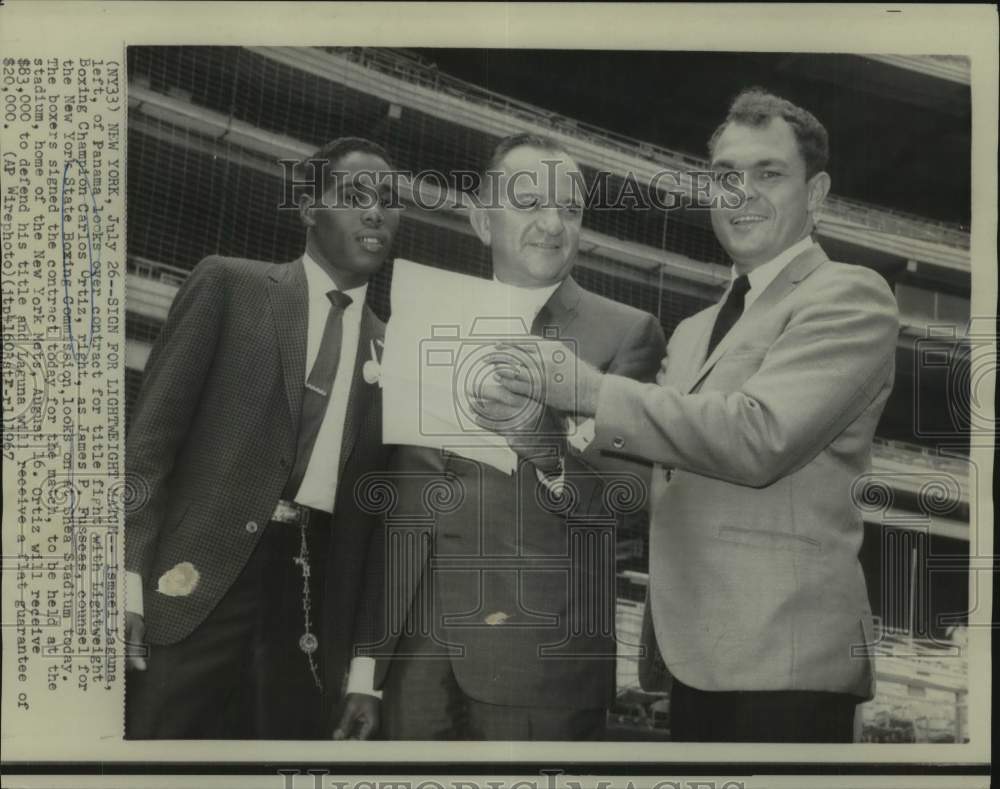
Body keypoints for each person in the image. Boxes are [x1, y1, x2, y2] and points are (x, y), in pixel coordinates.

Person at [495, 90, 900, 742]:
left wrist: (589, 389)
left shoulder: (850, 296)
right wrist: (531, 425)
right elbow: (649, 461)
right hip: (698, 657)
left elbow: (758, 435)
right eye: (725, 176)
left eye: (768, 174)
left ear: (817, 192)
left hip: (786, 664)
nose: (741, 193)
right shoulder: (690, 331)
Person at [374, 133, 666, 740]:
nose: (553, 223)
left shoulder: (628, 332)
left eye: (571, 209)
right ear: (483, 220)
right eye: (529, 202)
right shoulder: (423, 315)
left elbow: (629, 501)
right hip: (414, 655)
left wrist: (547, 450)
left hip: (540, 662)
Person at [124, 137, 399, 739]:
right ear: (309, 209)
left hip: (310, 607)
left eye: (388, 200)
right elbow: (146, 452)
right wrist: (125, 582)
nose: (376, 212)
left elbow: (383, 530)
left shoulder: (398, 352)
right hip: (192, 587)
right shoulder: (228, 285)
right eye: (354, 196)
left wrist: (362, 674)